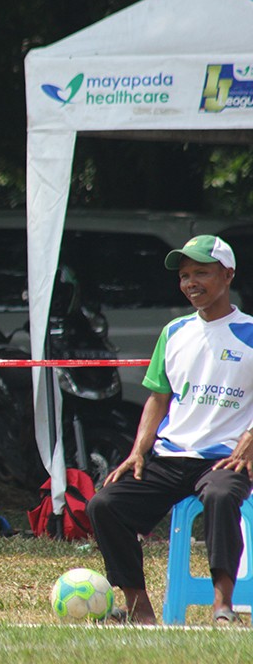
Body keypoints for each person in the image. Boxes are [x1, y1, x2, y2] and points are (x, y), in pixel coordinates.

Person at [87, 235, 253, 625]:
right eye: (184, 276)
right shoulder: (174, 331)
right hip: (170, 456)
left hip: (224, 459)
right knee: (104, 505)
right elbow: (157, 399)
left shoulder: (249, 332)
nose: (191, 282)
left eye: (201, 273)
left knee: (220, 496)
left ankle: (222, 606)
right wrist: (138, 451)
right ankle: (139, 608)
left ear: (228, 275)